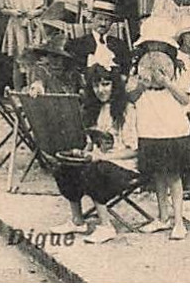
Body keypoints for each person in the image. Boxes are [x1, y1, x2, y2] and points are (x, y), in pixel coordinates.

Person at [49, 64, 140, 245]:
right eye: (96, 86)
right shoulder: (94, 109)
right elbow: (93, 143)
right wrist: (83, 152)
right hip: (99, 161)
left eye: (106, 84)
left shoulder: (126, 110)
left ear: (115, 86)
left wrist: (104, 157)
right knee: (64, 168)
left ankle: (106, 226)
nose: (101, 90)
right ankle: (78, 220)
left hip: (125, 165)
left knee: (95, 170)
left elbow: (134, 150)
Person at [129, 14, 190, 238]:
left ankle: (179, 221)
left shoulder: (180, 67)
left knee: (173, 175)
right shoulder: (137, 67)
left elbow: (185, 99)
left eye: (159, 43)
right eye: (150, 43)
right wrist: (141, 86)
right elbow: (131, 97)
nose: (154, 47)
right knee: (158, 173)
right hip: (149, 125)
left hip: (172, 125)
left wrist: (167, 82)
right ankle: (162, 217)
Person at [67, 0, 133, 73]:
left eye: (107, 20)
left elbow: (126, 68)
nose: (103, 24)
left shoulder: (120, 45)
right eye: (100, 19)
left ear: (111, 23)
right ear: (92, 19)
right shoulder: (79, 44)